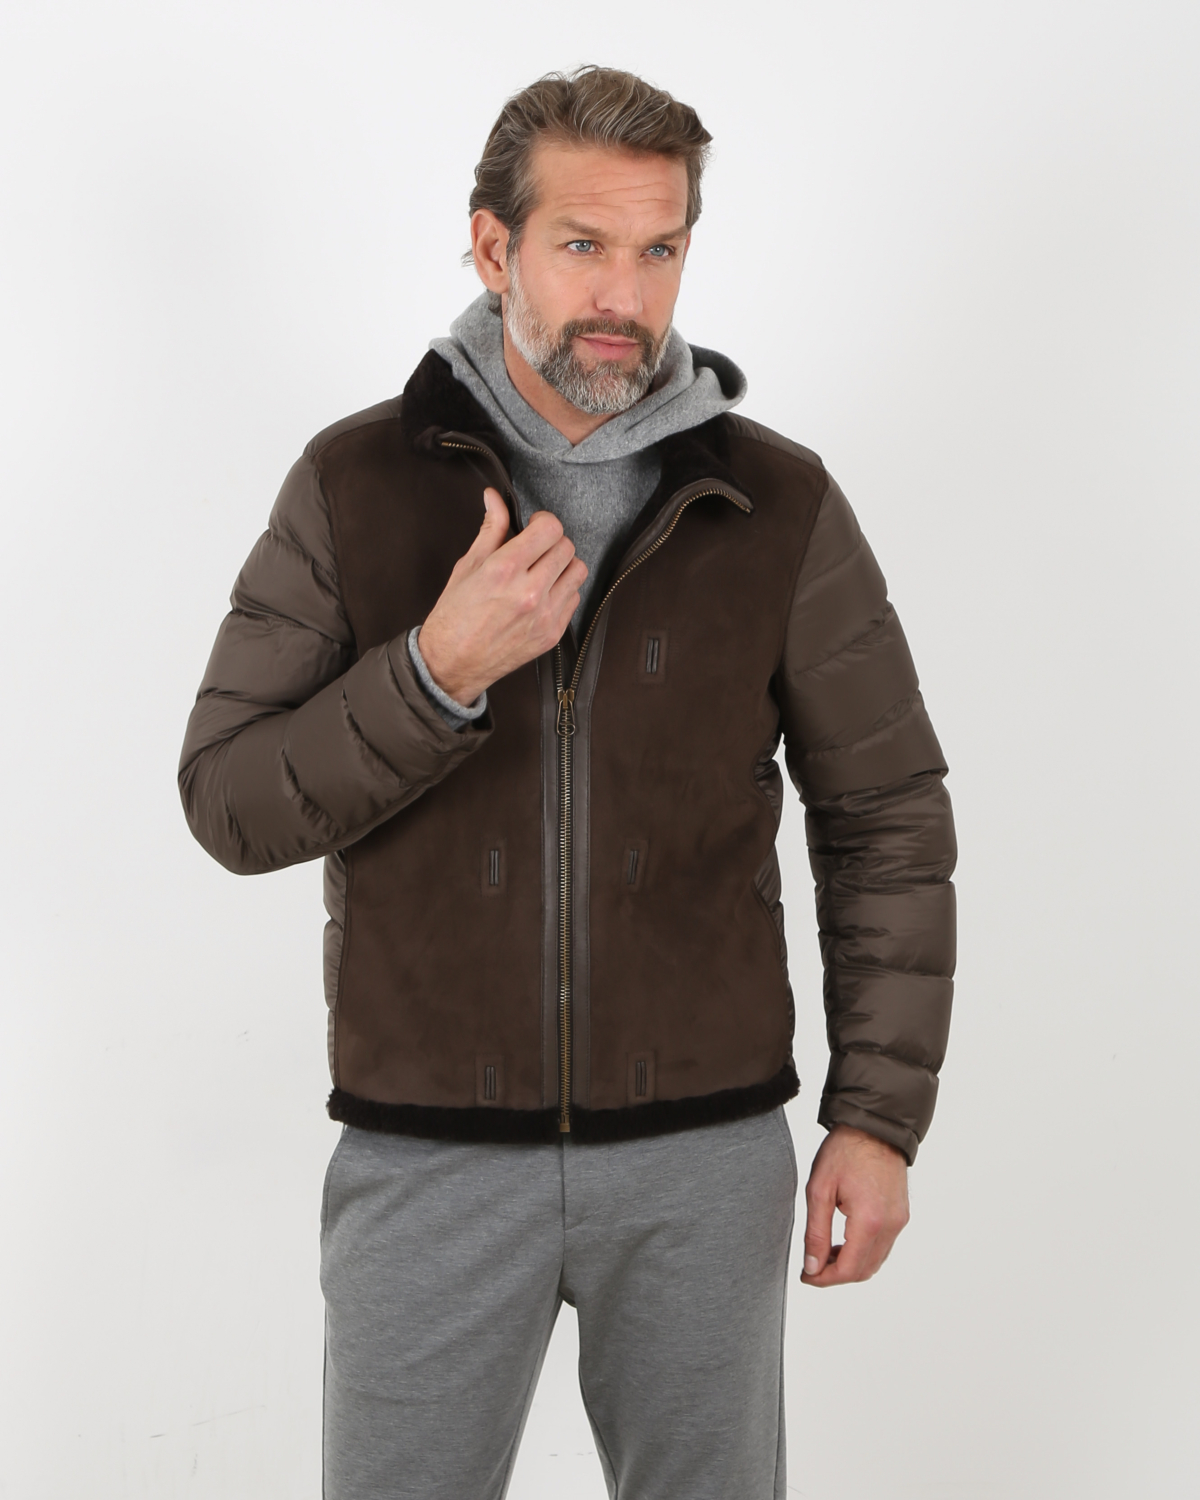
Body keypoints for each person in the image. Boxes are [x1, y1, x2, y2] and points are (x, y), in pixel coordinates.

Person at [179, 64, 956, 1500]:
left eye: (659, 249)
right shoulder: (353, 486)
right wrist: (433, 673)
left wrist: (875, 1117)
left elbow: (886, 818)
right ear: (494, 247)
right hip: (425, 1162)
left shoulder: (778, 504)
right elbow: (227, 798)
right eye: (583, 244)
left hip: (703, 1159)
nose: (623, 295)